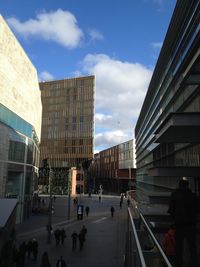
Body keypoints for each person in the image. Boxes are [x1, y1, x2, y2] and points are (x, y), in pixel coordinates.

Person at [168, 178, 198, 267]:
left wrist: (174, 219)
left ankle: (178, 263)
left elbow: (171, 210)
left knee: (178, 246)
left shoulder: (175, 195)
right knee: (192, 245)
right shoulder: (192, 195)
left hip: (179, 224)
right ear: (187, 185)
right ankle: (194, 263)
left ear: (179, 185)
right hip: (191, 224)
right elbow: (197, 209)